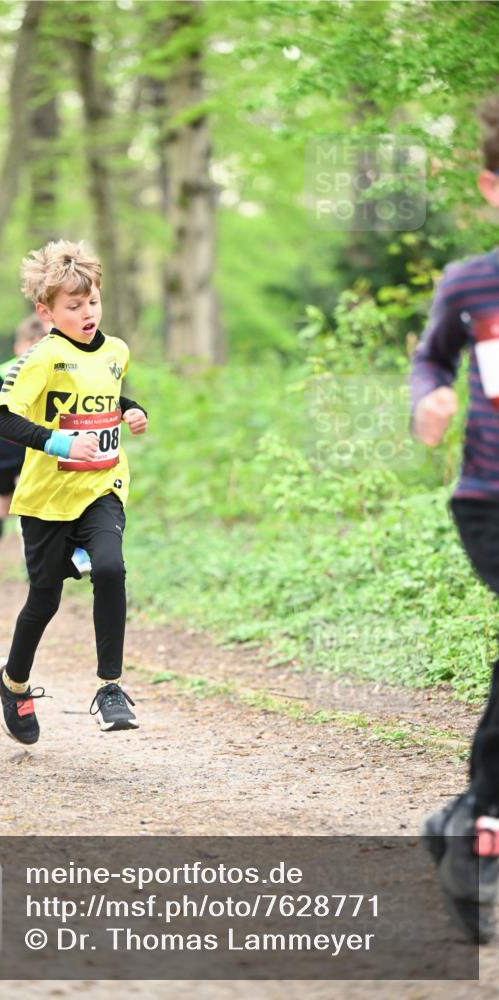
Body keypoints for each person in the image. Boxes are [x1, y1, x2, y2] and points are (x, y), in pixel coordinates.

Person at [0, 239, 148, 744]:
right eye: (74, 306)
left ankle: (110, 688)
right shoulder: (40, 357)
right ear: (46, 312)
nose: (87, 313)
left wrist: (131, 409)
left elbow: (103, 389)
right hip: (46, 499)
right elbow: (3, 420)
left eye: (93, 302)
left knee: (110, 567)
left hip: (103, 484)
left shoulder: (118, 350)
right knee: (44, 600)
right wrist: (58, 440)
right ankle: (13, 683)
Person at [412, 95, 499, 944]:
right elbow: (428, 358)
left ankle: (467, 821)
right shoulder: (471, 284)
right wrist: (427, 401)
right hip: (490, 501)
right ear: (490, 188)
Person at [0, 314, 47, 543]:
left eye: (41, 345)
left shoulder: (50, 373)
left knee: (28, 495)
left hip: (32, 446)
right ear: (19, 347)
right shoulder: (4, 371)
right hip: (3, 449)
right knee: (4, 499)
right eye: (31, 345)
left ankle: (30, 545)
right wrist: (9, 408)